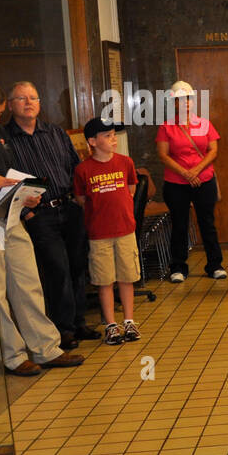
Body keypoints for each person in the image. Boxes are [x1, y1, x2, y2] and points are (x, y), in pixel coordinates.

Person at [0, 82, 83, 375]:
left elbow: (10, 172)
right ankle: (12, 355)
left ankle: (45, 347)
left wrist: (25, 195)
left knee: (27, 279)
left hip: (8, 210)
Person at [3, 81, 99, 348]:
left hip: (69, 207)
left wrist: (79, 201)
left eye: (33, 97)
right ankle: (63, 329)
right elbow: (5, 181)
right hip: (38, 214)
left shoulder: (55, 133)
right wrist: (26, 213)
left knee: (77, 265)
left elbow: (74, 169)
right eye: (21, 98)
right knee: (57, 269)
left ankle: (79, 323)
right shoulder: (4, 140)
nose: (28, 102)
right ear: (10, 105)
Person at [73, 118, 142, 344]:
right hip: (99, 234)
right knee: (104, 280)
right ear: (92, 141)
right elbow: (82, 199)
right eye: (107, 136)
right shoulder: (83, 170)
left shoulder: (125, 162)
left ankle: (129, 321)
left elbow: (130, 190)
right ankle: (111, 324)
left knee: (127, 277)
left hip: (124, 229)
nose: (113, 139)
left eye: (114, 135)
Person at [155, 81, 225, 282]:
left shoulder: (204, 124)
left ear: (193, 102)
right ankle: (178, 267)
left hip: (204, 179)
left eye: (188, 99)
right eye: (180, 100)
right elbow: (163, 155)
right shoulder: (167, 126)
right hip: (176, 183)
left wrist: (195, 170)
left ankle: (215, 265)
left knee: (207, 223)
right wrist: (185, 173)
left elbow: (213, 150)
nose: (185, 103)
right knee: (179, 225)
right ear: (174, 103)